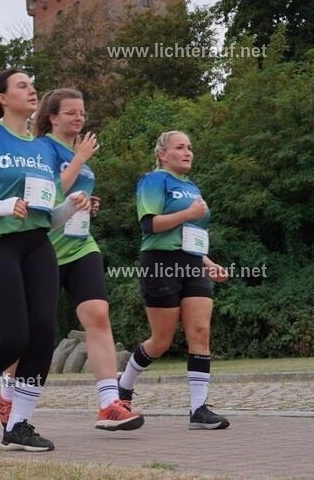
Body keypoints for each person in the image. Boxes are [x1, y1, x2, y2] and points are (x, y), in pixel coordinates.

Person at [0, 69, 89, 452]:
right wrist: (2, 205)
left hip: (39, 244)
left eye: (32, 85)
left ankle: (19, 425)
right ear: (2, 98)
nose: (31, 90)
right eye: (22, 85)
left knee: (43, 335)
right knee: (14, 338)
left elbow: (43, 213)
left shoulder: (43, 148)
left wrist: (70, 208)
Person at [0, 89, 142, 432]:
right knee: (27, 334)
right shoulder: (39, 148)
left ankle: (109, 403)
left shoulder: (77, 153)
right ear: (52, 117)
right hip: (41, 249)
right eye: (71, 113)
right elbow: (44, 192)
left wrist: (88, 203)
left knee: (98, 314)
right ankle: (7, 391)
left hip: (79, 245)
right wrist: (79, 160)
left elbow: (71, 193)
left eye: (82, 113)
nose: (79, 118)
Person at [116, 131, 230, 430]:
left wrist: (208, 262)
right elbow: (150, 225)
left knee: (200, 332)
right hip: (160, 262)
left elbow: (190, 235)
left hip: (193, 263)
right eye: (180, 147)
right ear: (162, 154)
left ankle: (198, 409)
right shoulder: (154, 181)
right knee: (162, 341)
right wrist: (189, 212)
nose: (187, 152)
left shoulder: (193, 187)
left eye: (190, 147)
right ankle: (124, 384)